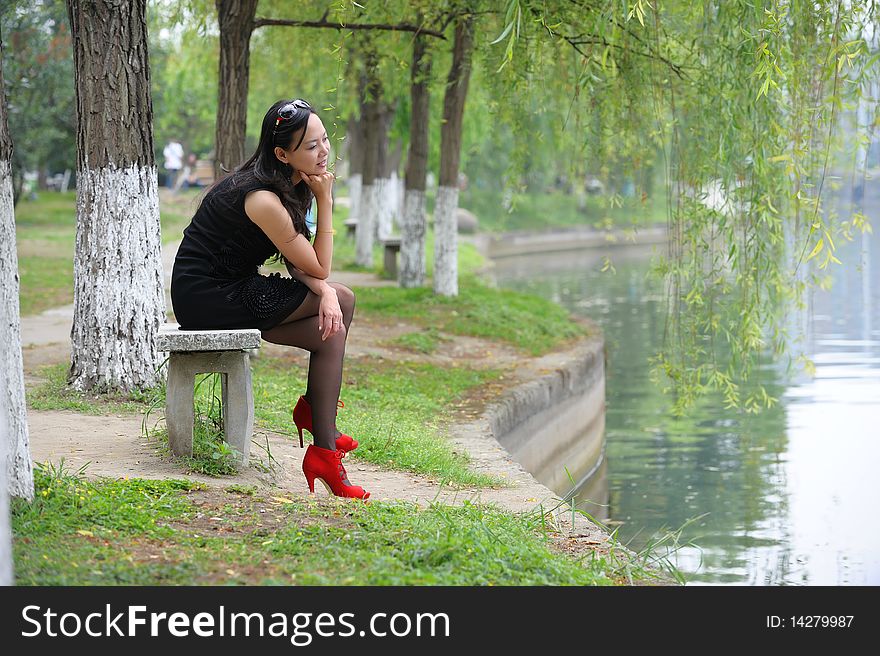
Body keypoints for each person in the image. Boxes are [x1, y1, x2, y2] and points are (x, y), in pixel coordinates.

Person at [170, 99, 368, 499]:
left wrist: (324, 291)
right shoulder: (262, 198)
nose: (324, 151)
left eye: (324, 139)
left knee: (335, 315)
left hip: (231, 285)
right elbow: (319, 266)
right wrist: (327, 202)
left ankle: (322, 437)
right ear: (282, 153)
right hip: (207, 294)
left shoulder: (292, 183)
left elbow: (302, 266)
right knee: (339, 302)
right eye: (311, 146)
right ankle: (321, 436)